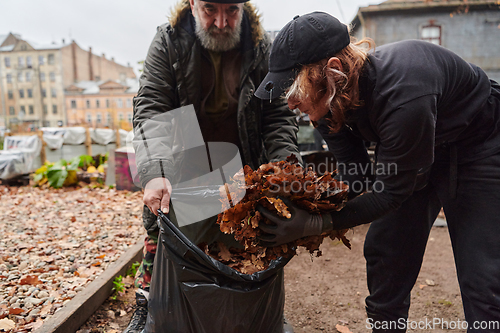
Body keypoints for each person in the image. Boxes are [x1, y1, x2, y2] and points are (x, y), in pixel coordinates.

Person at [255, 11, 500, 333]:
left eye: (293, 87)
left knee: (482, 276)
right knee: (386, 253)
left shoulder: (404, 93)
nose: (289, 103)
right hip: (413, 147)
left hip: (477, 149)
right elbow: (357, 179)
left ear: (333, 70)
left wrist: (315, 224)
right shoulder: (328, 100)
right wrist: (308, 205)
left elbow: (391, 192)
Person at [127, 0, 301, 332]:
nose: (221, 22)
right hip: (183, 164)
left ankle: (255, 312)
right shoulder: (169, 42)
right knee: (161, 233)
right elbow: (153, 105)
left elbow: (277, 117)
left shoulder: (261, 45)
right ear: (192, 4)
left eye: (231, 10)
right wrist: (156, 171)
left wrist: (284, 170)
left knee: (246, 241)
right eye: (210, 9)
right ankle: (148, 303)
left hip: (241, 166)